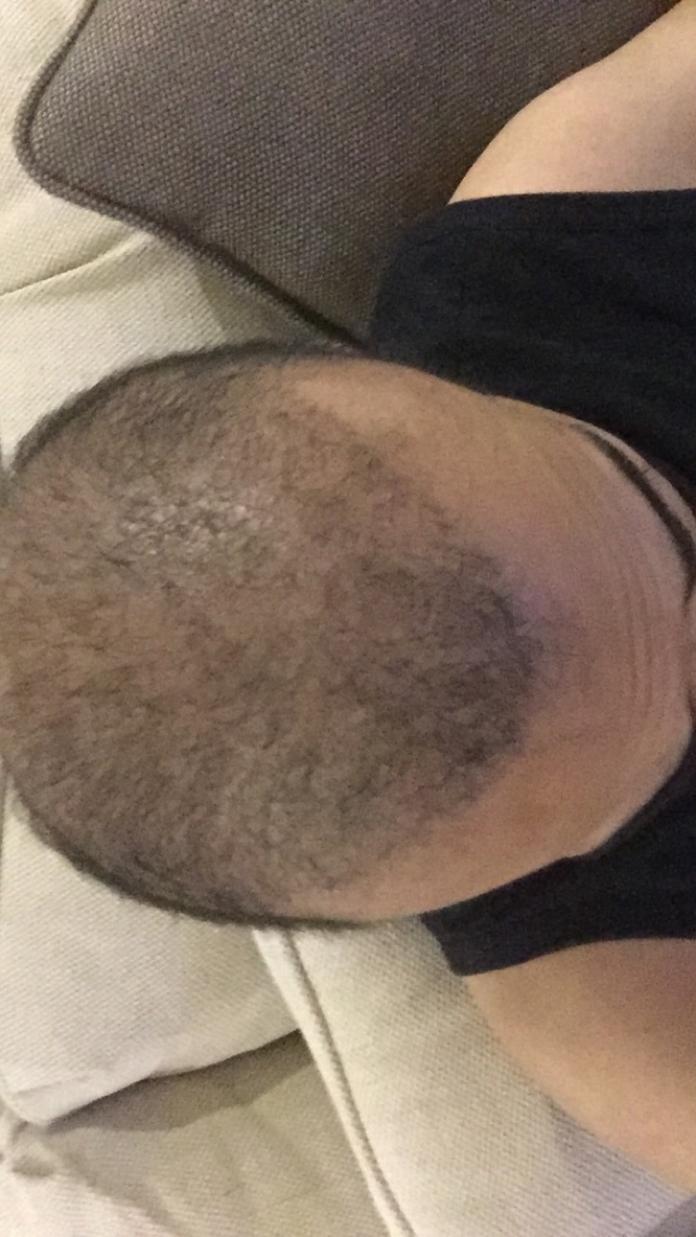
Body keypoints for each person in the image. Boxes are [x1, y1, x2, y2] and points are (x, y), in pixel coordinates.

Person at [3, 0, 696, 1193]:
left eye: (662, 522)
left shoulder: (538, 249)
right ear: (472, 880)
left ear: (443, 388)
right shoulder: (620, 1013)